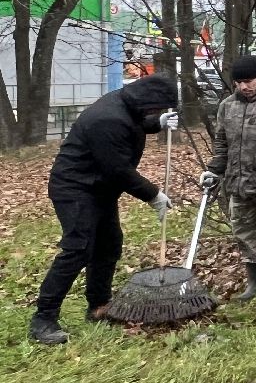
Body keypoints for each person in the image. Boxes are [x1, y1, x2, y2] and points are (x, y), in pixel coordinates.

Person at [29, 73, 179, 345]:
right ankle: (44, 318)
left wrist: (155, 124)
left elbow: (134, 123)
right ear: (146, 100)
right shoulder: (107, 118)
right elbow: (118, 169)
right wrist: (153, 194)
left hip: (98, 187)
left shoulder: (125, 104)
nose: (157, 112)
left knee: (109, 245)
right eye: (157, 109)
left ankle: (99, 305)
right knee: (78, 248)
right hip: (75, 187)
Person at [201, 54, 256, 302]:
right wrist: (215, 169)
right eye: (238, 82)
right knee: (244, 234)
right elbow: (221, 142)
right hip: (238, 184)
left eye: (248, 81)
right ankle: (255, 283)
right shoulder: (228, 106)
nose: (244, 87)